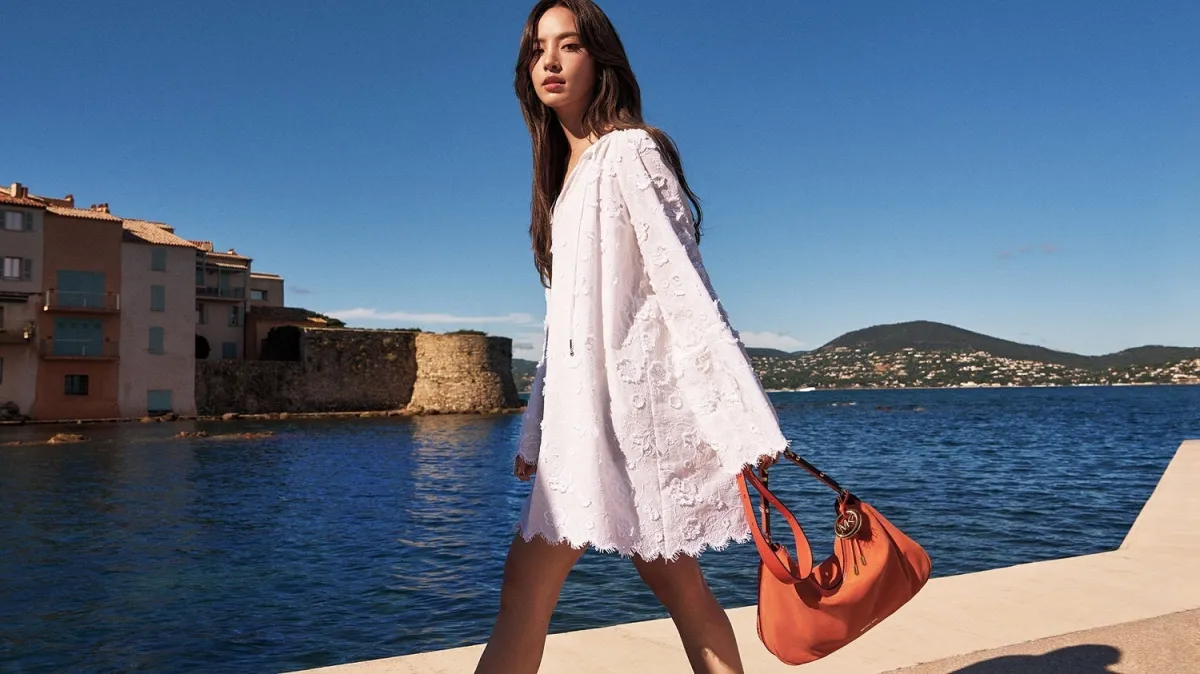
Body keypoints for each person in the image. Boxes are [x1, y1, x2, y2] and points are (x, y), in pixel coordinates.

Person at [475, 2, 790, 673]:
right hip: (586, 424)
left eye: (569, 45)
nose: (549, 62)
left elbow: (685, 288)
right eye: (537, 49)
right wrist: (536, 430)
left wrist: (744, 425)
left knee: (533, 588)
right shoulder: (563, 180)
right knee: (673, 589)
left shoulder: (630, 152)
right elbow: (566, 327)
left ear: (601, 59)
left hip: (634, 421)